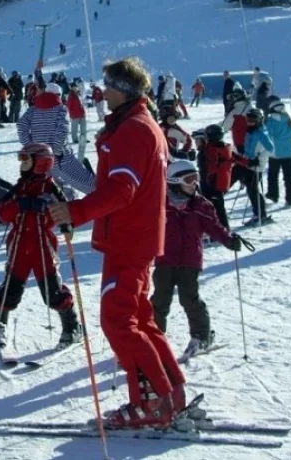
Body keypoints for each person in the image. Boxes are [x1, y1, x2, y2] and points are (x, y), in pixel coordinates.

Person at [47, 56, 186, 429]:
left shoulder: (133, 130)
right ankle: (171, 392)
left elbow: (122, 190)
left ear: (123, 90)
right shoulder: (139, 124)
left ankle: (152, 401)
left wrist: (75, 212)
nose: (101, 90)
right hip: (134, 237)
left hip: (129, 239)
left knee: (118, 320)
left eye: (108, 84)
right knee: (139, 317)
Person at [0, 143, 82, 349]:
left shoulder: (51, 189)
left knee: (53, 291)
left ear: (39, 163)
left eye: (25, 160)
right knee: (10, 289)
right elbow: (1, 213)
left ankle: (71, 326)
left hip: (43, 248)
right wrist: (19, 205)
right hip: (19, 247)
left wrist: (61, 221)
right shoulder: (19, 187)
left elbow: (66, 213)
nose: (21, 164)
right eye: (21, 160)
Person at [151, 160, 243, 359]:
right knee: (159, 300)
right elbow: (146, 225)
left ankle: (201, 336)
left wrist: (228, 239)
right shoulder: (160, 204)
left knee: (189, 299)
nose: (194, 183)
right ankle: (153, 337)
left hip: (189, 261)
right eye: (189, 179)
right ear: (174, 181)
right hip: (164, 260)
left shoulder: (201, 205)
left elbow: (214, 227)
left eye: (196, 178)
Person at [17, 83, 96, 196]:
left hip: (40, 159)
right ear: (59, 94)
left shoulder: (33, 110)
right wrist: (57, 151)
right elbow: (62, 131)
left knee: (51, 189)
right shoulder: (61, 109)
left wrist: (32, 147)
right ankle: (109, 205)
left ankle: (64, 208)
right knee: (90, 185)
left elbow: (21, 126)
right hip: (61, 159)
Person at [197, 125, 239, 229]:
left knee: (215, 208)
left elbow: (211, 167)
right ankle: (221, 229)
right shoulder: (223, 148)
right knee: (215, 208)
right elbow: (235, 158)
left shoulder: (211, 150)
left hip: (212, 184)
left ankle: (222, 230)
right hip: (214, 183)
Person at [264, 98, 291, 207]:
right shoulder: (289, 119)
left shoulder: (270, 121)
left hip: (275, 154)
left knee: (272, 175)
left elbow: (268, 136)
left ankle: (273, 195)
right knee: (289, 177)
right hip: (290, 153)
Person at [242, 109, 274, 226]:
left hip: (256, 166)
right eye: (248, 120)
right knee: (251, 190)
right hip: (248, 163)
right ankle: (259, 214)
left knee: (253, 190)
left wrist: (258, 160)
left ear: (258, 120)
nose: (249, 122)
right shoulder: (251, 131)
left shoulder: (261, 133)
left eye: (252, 120)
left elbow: (270, 148)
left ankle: (261, 215)